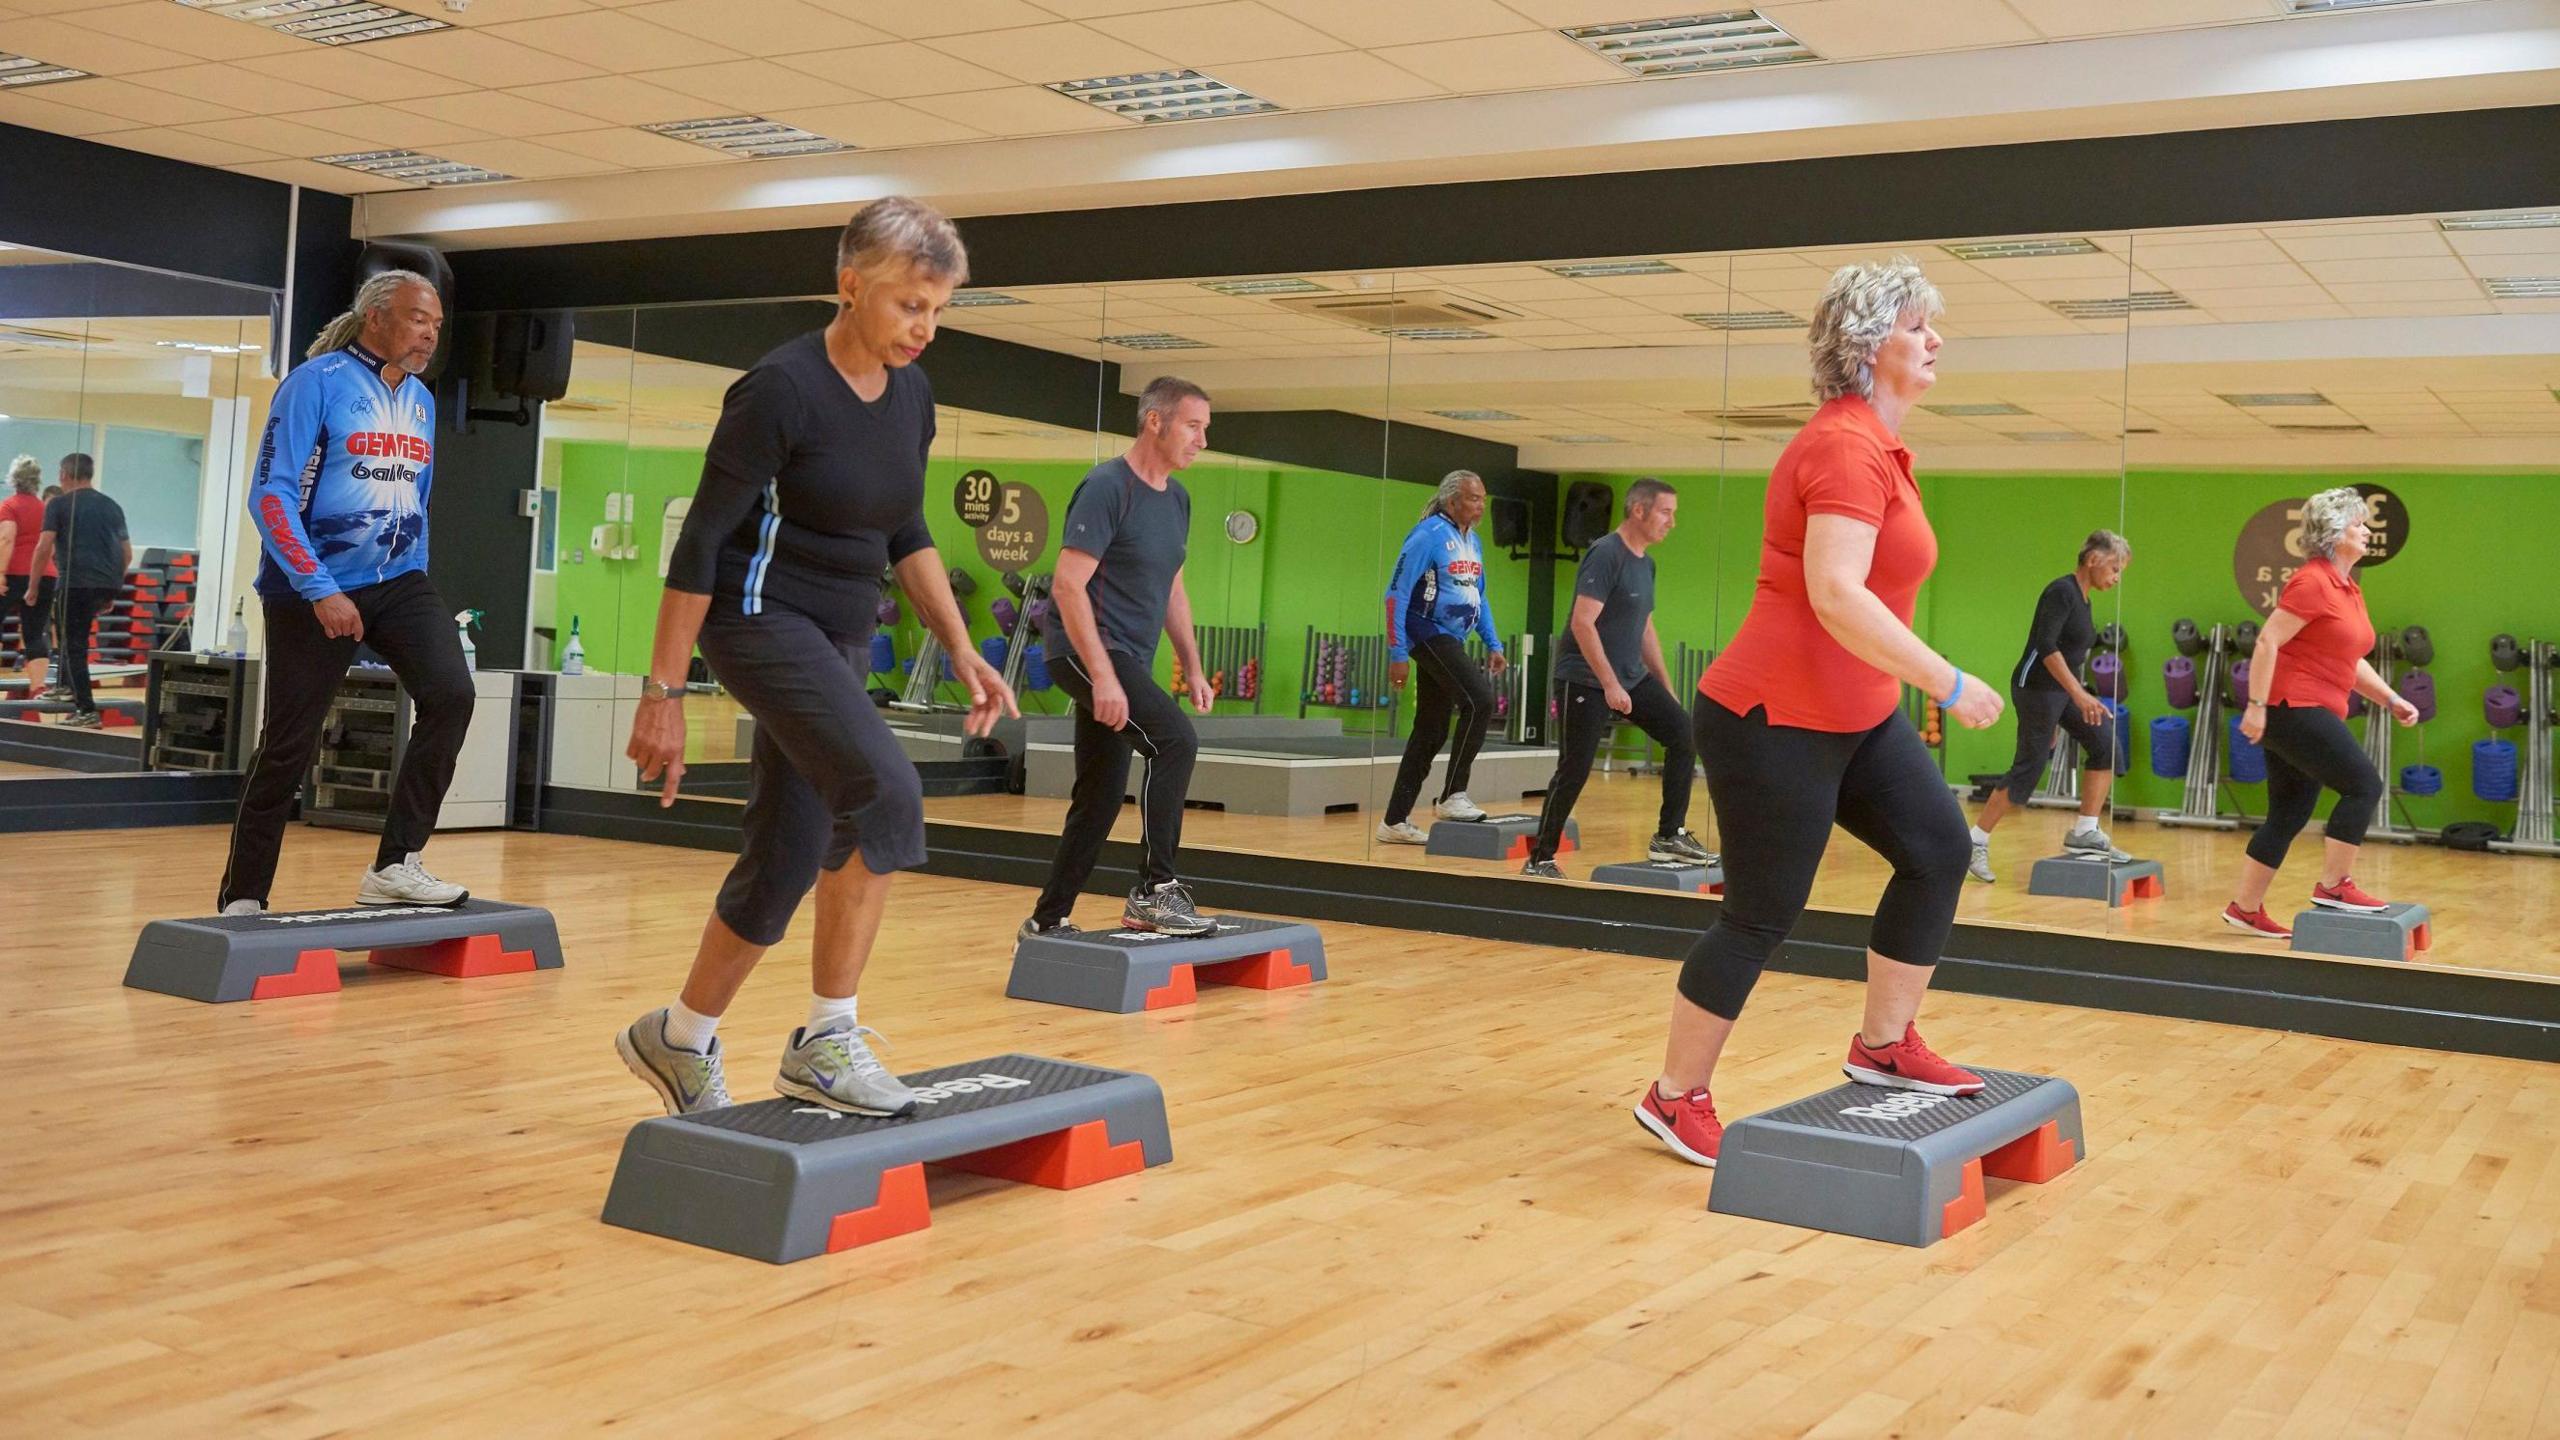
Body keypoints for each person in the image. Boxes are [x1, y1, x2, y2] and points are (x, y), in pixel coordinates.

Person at [619, 197, 1015, 1120]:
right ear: (850, 286)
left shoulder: (912, 395)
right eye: (910, 305)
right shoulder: (780, 389)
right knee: (886, 791)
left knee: (790, 852)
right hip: (758, 619)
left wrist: (960, 645)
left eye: (938, 311)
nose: (925, 328)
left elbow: (906, 527)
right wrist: (663, 694)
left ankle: (677, 1039)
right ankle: (826, 1041)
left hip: (837, 632)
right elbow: (700, 545)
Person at [1634, 258, 2006, 1169]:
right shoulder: (1842, 445)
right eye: (1920, 327)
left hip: (1858, 712)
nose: (1936, 341)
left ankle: (1884, 1043)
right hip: (1773, 715)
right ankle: (1674, 1098)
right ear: (1872, 343)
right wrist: (1949, 683)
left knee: (1940, 851)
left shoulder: (1884, 449)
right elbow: (1836, 595)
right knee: (1762, 915)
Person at [215, 271, 477, 915]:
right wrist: (318, 589)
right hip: (312, 587)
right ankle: (243, 895)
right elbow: (270, 494)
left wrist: (417, 571)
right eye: (420, 320)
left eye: (437, 325)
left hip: (397, 580)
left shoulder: (420, 400)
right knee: (289, 743)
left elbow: (417, 500)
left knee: (452, 695)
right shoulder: (316, 384)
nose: (430, 334)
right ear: (377, 317)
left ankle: (395, 864)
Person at [1019, 376, 1217, 940]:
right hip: (1085, 652)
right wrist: (1103, 676)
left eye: (1205, 429)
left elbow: (1172, 587)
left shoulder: (1177, 499)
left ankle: (1047, 919)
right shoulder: (1108, 487)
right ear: (1155, 421)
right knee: (1175, 740)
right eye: (1193, 426)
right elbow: (1066, 586)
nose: (1202, 439)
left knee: (1101, 793)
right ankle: (1157, 892)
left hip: (1126, 656)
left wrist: (1192, 665)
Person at [2222, 487, 2416, 939]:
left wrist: (2390, 698)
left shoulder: (2347, 587)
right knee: (2363, 785)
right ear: (2334, 533)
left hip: (2302, 707)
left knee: (2289, 813)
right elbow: (2269, 640)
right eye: (2358, 525)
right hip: (2293, 705)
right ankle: (2334, 886)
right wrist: (2255, 707)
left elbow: (2350, 659)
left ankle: (2245, 908)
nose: (2367, 532)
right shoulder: (2313, 580)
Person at [1521, 478, 1712, 878]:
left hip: (1630, 675)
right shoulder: (1606, 553)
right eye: (1665, 512)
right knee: (1575, 767)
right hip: (1584, 677)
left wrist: (1666, 688)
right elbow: (1583, 623)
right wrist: (1609, 684)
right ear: (1639, 510)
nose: (1672, 522)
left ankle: (1668, 836)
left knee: (1684, 734)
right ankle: (1541, 858)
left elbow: (1644, 628)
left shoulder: (1647, 562)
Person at [1966, 530, 2134, 882]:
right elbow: (2046, 646)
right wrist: (2077, 695)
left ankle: (2085, 831)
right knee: (2029, 769)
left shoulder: (2084, 600)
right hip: (2036, 689)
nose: (2117, 577)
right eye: (2115, 568)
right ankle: (1974, 842)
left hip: (2060, 692)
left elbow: (2071, 657)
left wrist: (2072, 700)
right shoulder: (2061, 591)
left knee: (2105, 744)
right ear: (2093, 560)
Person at [1375, 470, 1509, 843]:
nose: (1480, 505)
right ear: (1452, 501)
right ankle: (1452, 795)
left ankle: (1394, 822)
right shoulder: (1427, 536)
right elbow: (1395, 594)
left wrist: (1493, 643)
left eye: (1483, 498)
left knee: (1431, 730)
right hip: (1426, 632)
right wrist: (1397, 652)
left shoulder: (1474, 542)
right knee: (1479, 701)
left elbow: (1478, 597)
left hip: (1452, 637)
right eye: (1472, 498)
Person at [28, 453, 129, 728]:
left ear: (63, 473)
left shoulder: (59, 504)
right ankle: (67, 688)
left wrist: (33, 586)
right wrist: (112, 588)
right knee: (75, 641)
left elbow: (43, 547)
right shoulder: (112, 506)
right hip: (103, 583)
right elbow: (126, 553)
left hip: (74, 584)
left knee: (73, 645)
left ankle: (86, 709)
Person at [0, 455, 54, 699]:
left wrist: (0, 572)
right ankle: (38, 687)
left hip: (14, 573)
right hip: (45, 575)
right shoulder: (47, 510)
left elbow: (6, 539)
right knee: (34, 632)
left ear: (13, 480)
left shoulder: (9, 506)